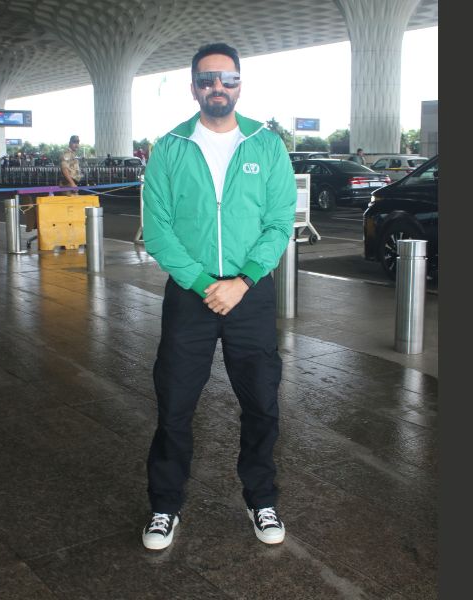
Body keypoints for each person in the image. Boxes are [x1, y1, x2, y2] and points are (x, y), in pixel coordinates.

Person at [141, 42, 296, 551]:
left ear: (239, 85)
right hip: (192, 295)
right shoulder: (170, 148)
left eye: (227, 79)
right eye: (207, 79)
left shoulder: (266, 145)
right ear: (193, 88)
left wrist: (243, 281)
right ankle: (164, 506)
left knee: (262, 403)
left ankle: (261, 498)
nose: (217, 87)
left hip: (250, 293)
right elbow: (158, 230)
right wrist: (204, 283)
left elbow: (279, 223)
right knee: (175, 404)